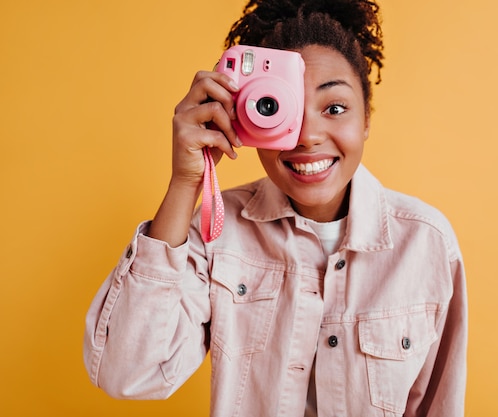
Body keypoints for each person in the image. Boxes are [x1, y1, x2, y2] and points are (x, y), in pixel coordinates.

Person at [83, 0, 468, 415]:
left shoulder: (426, 243)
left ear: (367, 118)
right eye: (278, 109)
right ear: (245, 119)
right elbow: (126, 373)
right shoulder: (219, 232)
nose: (306, 136)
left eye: (334, 108)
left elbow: (438, 405)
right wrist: (185, 182)